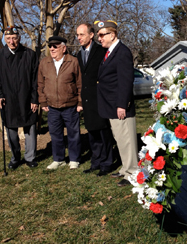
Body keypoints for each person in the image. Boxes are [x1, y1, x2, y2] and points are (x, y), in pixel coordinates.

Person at [0, 26, 39, 169]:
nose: (12, 41)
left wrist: (35, 99)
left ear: (19, 38)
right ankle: (15, 158)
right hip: (7, 100)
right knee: (11, 130)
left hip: (27, 98)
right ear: (5, 39)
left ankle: (30, 157)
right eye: (8, 38)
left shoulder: (30, 54)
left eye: (14, 38)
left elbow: (36, 80)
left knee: (30, 129)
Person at [95, 20, 138, 187]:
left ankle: (132, 171)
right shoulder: (111, 52)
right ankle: (125, 168)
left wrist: (122, 104)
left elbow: (126, 81)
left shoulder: (122, 52)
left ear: (112, 35)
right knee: (120, 138)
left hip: (119, 105)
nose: (99, 38)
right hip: (111, 104)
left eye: (101, 35)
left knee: (127, 139)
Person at [37, 36, 82, 170]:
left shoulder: (73, 61)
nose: (52, 49)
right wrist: (43, 101)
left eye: (55, 46)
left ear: (63, 48)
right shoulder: (44, 63)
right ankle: (58, 159)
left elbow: (80, 83)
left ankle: (74, 159)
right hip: (52, 107)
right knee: (55, 134)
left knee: (73, 134)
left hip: (70, 105)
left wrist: (80, 102)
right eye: (50, 46)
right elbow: (40, 84)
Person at [76, 23, 114, 176]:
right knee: (92, 133)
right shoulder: (79, 54)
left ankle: (107, 163)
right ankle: (96, 161)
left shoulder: (102, 51)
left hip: (101, 99)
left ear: (91, 35)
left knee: (104, 133)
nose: (78, 38)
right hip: (87, 101)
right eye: (77, 35)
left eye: (81, 34)